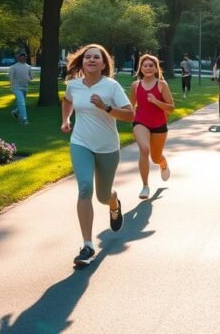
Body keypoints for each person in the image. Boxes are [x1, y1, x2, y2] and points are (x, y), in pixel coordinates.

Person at [61, 44, 135, 267]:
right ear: (82, 62)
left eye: (96, 57)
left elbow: (130, 114)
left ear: (104, 64)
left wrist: (106, 107)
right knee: (85, 188)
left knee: (102, 196)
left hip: (107, 147)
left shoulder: (111, 87)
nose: (91, 60)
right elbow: (67, 102)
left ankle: (113, 203)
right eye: (87, 57)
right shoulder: (73, 86)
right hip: (80, 142)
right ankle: (87, 245)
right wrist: (66, 120)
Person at [130, 54, 175, 200]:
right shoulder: (135, 85)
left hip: (159, 124)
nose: (148, 68)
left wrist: (156, 101)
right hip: (140, 122)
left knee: (155, 158)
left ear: (156, 68)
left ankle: (163, 163)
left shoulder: (162, 85)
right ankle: (145, 186)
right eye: (145, 65)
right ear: (140, 68)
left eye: (151, 65)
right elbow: (131, 106)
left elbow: (171, 108)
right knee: (144, 149)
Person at [8, 52, 34, 125]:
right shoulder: (13, 67)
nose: (23, 58)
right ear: (18, 58)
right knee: (21, 102)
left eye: (24, 57)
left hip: (25, 87)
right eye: (21, 57)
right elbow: (11, 78)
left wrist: (30, 80)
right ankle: (24, 120)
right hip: (16, 87)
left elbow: (29, 77)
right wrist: (11, 86)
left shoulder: (28, 67)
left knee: (21, 103)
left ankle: (15, 112)